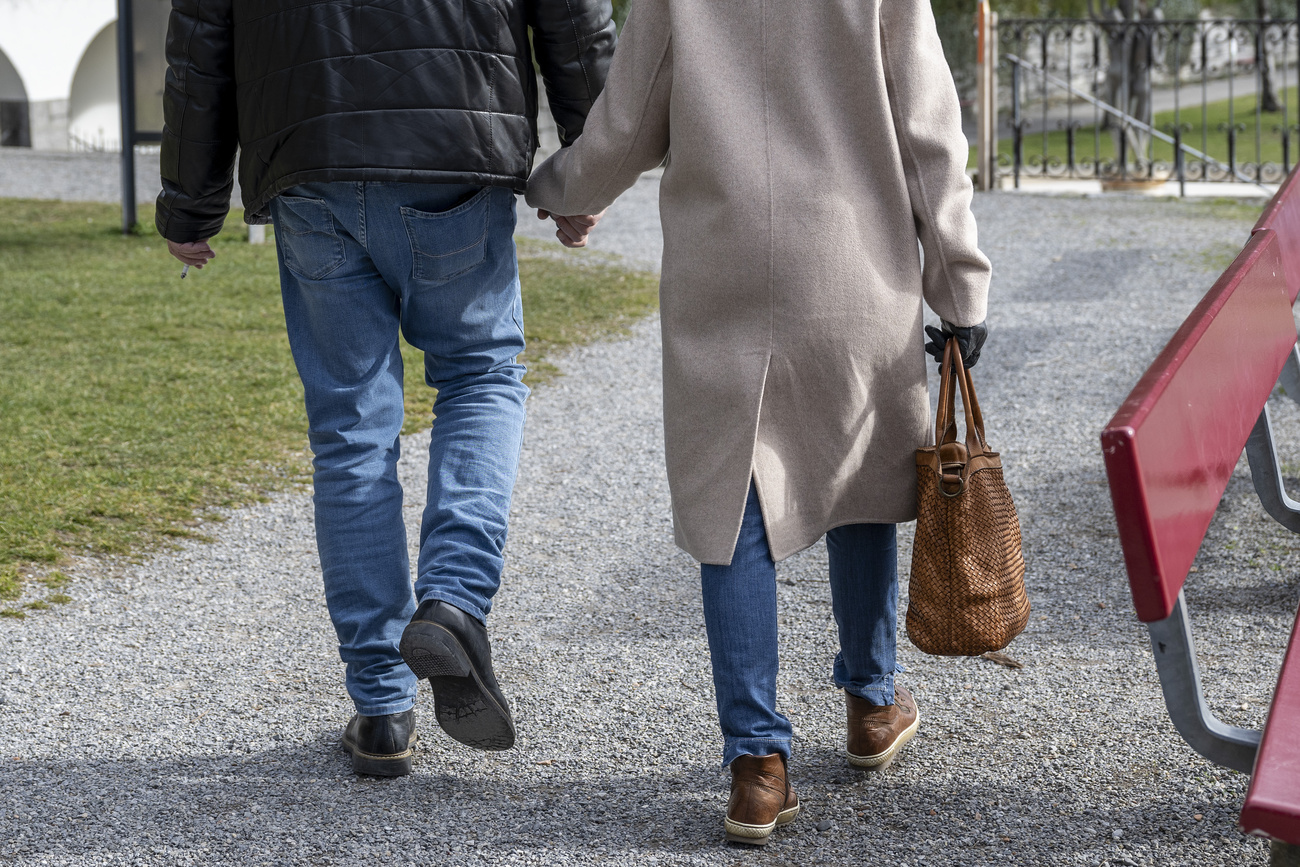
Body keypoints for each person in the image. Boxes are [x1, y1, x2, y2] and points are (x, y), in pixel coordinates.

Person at [526, 0, 990, 845]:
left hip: (725, 273)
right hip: (855, 267)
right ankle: (873, 702)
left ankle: (757, 767)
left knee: (732, 499)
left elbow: (625, 128)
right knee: (860, 473)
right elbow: (928, 130)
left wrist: (555, 188)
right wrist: (960, 285)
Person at [157, 0, 616, 776]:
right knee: (480, 376)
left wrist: (189, 198)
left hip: (311, 155)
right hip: (454, 146)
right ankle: (453, 602)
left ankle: (380, 704)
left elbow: (201, 40)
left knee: (349, 431)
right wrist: (588, 164)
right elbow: (574, 16)